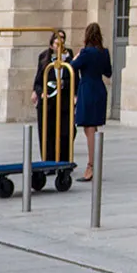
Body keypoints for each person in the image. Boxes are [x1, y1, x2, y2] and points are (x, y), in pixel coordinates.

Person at [69, 23, 112, 182]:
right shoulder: (104, 52)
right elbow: (108, 72)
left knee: (89, 128)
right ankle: (94, 163)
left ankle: (91, 165)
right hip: (99, 88)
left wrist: (76, 57)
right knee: (93, 127)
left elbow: (72, 67)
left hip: (87, 89)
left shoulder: (86, 52)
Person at [32, 29, 75, 162]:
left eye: (62, 41)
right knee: (47, 133)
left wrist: (73, 92)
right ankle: (48, 161)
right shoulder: (44, 57)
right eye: (57, 42)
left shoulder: (69, 57)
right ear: (51, 45)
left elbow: (74, 78)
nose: (60, 45)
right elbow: (38, 81)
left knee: (66, 133)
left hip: (63, 100)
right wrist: (39, 93)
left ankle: (63, 162)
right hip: (48, 100)